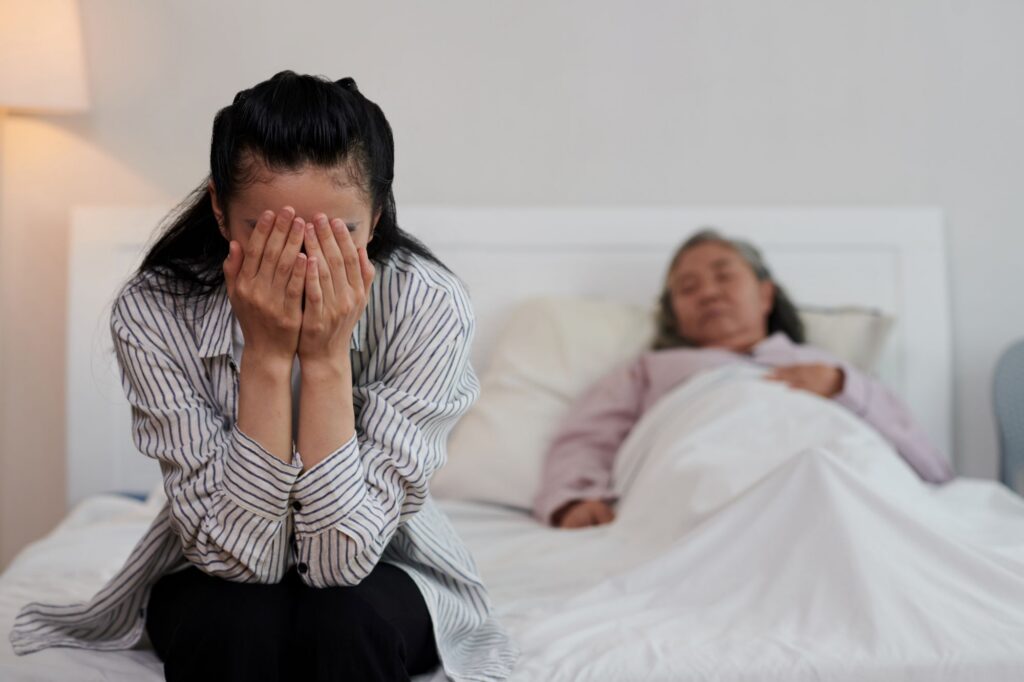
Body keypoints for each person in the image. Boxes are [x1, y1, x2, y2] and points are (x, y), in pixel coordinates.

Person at [11, 71, 517, 682]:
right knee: (237, 619)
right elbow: (240, 560)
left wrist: (327, 360)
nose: (302, 264)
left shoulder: (426, 304)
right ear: (221, 213)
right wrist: (268, 359)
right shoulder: (154, 311)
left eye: (338, 234)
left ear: (378, 215)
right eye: (268, 233)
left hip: (384, 563)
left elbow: (342, 560)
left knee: (345, 621)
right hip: (214, 563)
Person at [533, 229, 954, 529]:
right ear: (674, 311)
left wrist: (843, 386)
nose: (709, 293)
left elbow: (928, 465)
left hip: (837, 467)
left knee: (841, 489)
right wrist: (575, 496)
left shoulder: (827, 366)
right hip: (702, 476)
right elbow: (586, 438)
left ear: (765, 293)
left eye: (724, 275)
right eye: (688, 287)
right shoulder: (651, 370)